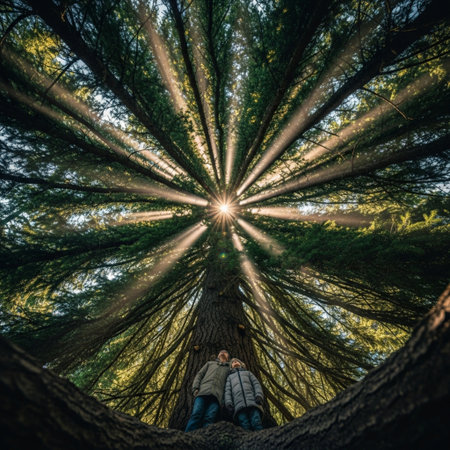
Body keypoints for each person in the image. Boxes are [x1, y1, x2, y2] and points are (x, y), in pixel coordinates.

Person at [185, 349, 231, 432]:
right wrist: (195, 388)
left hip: (217, 397)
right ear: (218, 355)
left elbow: (228, 385)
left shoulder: (228, 369)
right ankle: (188, 436)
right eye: (220, 352)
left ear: (228, 358)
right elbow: (199, 375)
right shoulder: (210, 364)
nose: (222, 353)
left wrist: (224, 400)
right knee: (196, 414)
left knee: (210, 418)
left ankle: (205, 439)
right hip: (202, 392)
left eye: (225, 352)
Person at [224, 358, 264, 431]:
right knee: (244, 425)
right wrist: (229, 403)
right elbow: (227, 391)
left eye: (237, 361)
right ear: (231, 367)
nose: (235, 362)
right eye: (232, 362)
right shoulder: (230, 378)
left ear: (242, 364)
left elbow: (256, 384)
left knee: (256, 422)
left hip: (253, 402)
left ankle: (262, 440)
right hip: (238, 406)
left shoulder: (248, 373)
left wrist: (259, 395)